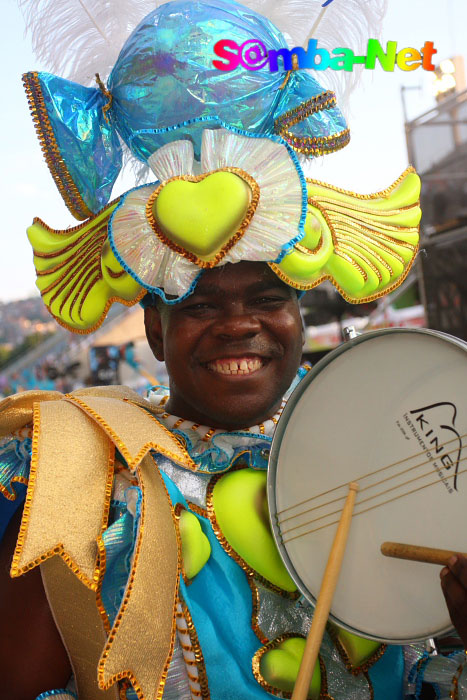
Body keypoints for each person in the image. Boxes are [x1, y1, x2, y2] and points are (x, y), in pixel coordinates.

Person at [2, 1, 467, 698]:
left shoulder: (373, 455)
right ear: (154, 331)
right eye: (197, 305)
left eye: (266, 299)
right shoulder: (84, 477)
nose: (238, 324)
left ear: (297, 312)